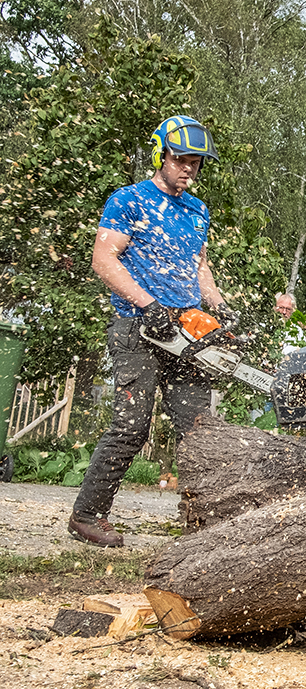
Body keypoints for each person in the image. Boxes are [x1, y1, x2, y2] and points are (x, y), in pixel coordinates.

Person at [69, 115, 233, 548]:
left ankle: (204, 520)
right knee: (131, 425)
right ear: (161, 155)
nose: (188, 169)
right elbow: (104, 260)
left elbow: (198, 267)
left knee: (199, 428)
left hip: (186, 332)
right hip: (137, 327)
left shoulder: (198, 210)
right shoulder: (129, 200)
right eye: (181, 160)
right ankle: (87, 515)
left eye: (196, 163)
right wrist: (148, 305)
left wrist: (218, 307)